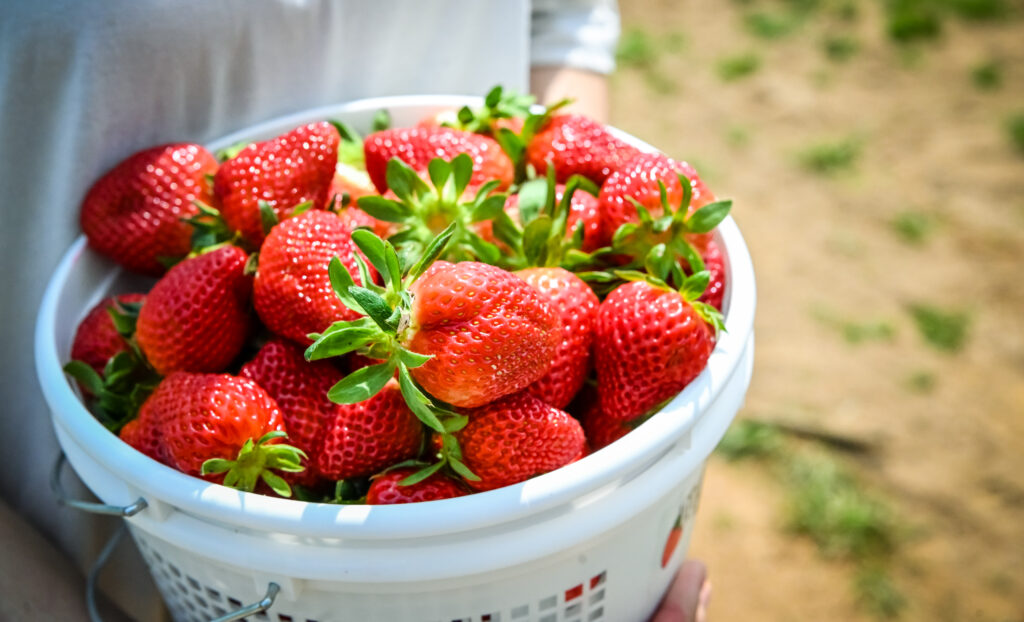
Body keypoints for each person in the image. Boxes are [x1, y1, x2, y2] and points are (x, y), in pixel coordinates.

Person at [0, 1, 709, 619]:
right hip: (96, 563)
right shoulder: (259, 295)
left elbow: (561, 20)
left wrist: (569, 199)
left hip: (459, 256)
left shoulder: (446, 327)